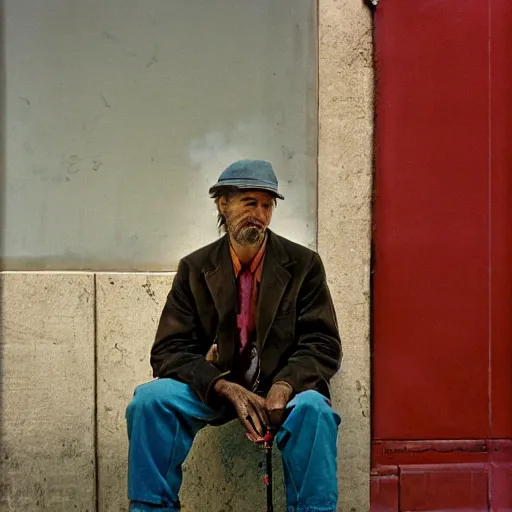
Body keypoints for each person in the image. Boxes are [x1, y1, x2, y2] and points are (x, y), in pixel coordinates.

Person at [125, 159, 342, 512]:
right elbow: (168, 351)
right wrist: (221, 385)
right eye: (248, 202)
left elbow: (323, 344)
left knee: (314, 410)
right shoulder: (195, 268)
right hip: (216, 388)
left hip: (281, 392)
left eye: (266, 205)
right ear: (222, 205)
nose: (258, 214)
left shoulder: (303, 264)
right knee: (150, 401)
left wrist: (284, 386)